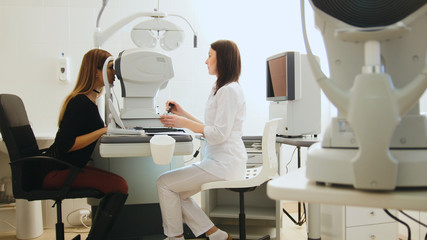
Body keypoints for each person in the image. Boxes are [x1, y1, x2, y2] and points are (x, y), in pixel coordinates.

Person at [157, 40, 246, 240]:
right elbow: (212, 127)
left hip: (224, 164)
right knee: (176, 192)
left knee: (164, 183)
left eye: (209, 56)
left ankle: (175, 238)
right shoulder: (220, 87)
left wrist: (182, 122)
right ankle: (217, 235)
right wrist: (183, 114)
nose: (205, 61)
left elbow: (218, 134)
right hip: (220, 161)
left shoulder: (229, 90)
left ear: (221, 59)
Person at [42, 49, 128, 240]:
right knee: (120, 186)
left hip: (68, 168)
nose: (115, 73)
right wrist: (103, 130)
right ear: (96, 71)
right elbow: (65, 145)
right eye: (110, 68)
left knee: (119, 185)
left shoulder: (92, 100)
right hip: (58, 172)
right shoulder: (79, 102)